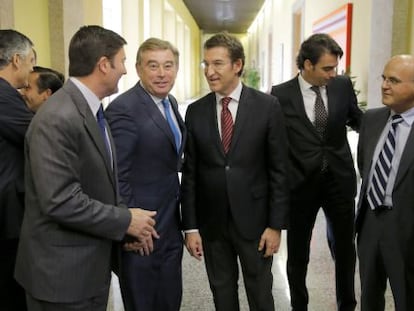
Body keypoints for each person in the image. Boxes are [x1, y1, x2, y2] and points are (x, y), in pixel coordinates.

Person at [14, 25, 159, 311]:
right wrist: (125, 220)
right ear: (103, 65)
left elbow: (100, 183)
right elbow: (61, 200)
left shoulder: (90, 110)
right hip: (62, 279)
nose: (126, 71)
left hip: (86, 269)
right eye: (122, 62)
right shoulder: (57, 117)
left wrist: (123, 233)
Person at [181, 32, 289, 311]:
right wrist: (190, 227)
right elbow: (190, 173)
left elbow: (279, 170)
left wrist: (275, 225)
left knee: (261, 293)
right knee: (222, 293)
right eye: (205, 64)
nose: (210, 71)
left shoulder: (267, 107)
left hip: (255, 222)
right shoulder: (195, 111)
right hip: (212, 224)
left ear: (237, 65)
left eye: (217, 63)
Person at [270, 33, 362, 311]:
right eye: (327, 68)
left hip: (339, 180)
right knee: (298, 254)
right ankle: (299, 304)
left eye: (335, 67)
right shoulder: (280, 94)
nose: (333, 74)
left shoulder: (342, 86)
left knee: (345, 249)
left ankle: (347, 304)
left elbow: (357, 119)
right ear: (307, 65)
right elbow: (273, 140)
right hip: (300, 184)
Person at [105, 37, 186, 311]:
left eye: (168, 65)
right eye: (153, 66)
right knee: (143, 302)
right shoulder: (124, 110)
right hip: (142, 230)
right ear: (139, 69)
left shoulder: (170, 103)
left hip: (169, 223)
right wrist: (129, 228)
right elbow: (117, 175)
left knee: (169, 298)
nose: (162, 74)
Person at [356, 54, 414, 311]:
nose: (384, 85)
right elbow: (364, 166)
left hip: (407, 229)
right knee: (369, 297)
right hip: (370, 223)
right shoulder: (372, 119)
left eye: (394, 80)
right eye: (384, 78)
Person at [0, 28, 35, 311]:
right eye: (31, 61)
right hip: (7, 210)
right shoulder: (3, 94)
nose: (32, 68)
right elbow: (36, 136)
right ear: (16, 60)